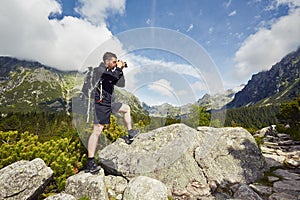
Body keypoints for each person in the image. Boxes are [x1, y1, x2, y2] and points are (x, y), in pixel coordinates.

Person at [85, 52, 140, 174]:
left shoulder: (110, 71)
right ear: (107, 61)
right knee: (97, 131)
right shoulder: (99, 70)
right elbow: (111, 77)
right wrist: (119, 68)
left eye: (116, 62)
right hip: (101, 104)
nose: (115, 64)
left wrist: (121, 70)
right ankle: (90, 162)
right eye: (114, 62)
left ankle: (130, 133)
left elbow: (121, 83)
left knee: (126, 108)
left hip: (109, 102)